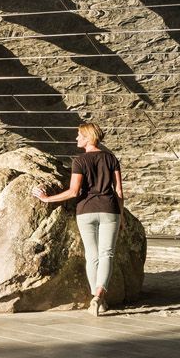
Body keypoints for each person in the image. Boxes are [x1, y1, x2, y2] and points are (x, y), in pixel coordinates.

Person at [33, 123, 125, 316]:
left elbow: (74, 192)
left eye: (79, 136)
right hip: (110, 211)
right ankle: (100, 296)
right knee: (107, 254)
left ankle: (95, 298)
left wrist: (47, 199)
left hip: (86, 211)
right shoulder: (111, 158)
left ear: (88, 137)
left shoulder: (80, 161)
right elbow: (119, 192)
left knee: (92, 256)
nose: (76, 139)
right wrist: (121, 216)